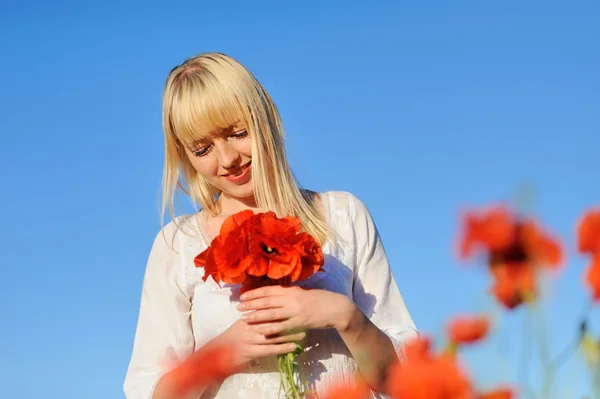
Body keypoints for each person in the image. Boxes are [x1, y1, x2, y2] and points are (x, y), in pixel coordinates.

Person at [123, 52, 418, 399]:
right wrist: (220, 355)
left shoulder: (344, 215)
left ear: (266, 117)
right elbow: (149, 391)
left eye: (238, 132)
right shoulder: (177, 244)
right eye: (203, 149)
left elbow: (406, 382)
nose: (228, 159)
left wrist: (346, 316)